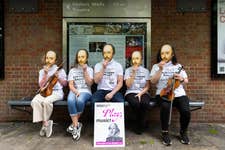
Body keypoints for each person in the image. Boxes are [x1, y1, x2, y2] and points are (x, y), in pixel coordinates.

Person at [150, 44, 191, 146]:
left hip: (179, 93)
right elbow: (153, 81)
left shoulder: (178, 66)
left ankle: (183, 132)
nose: (164, 55)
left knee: (186, 110)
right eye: (162, 53)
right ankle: (165, 132)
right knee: (165, 107)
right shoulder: (156, 66)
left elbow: (186, 80)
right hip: (162, 93)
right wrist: (160, 69)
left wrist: (181, 79)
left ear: (172, 54)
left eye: (167, 53)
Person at [31, 50, 67, 138]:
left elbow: (65, 84)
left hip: (57, 92)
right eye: (47, 58)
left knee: (46, 102)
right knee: (35, 101)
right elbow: (41, 85)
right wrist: (45, 74)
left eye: (51, 58)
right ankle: (46, 123)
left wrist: (59, 78)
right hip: (45, 92)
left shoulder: (60, 70)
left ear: (55, 60)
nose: (48, 60)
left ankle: (44, 124)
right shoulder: (42, 71)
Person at [66, 49, 94, 141]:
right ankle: (76, 125)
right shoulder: (72, 70)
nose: (81, 59)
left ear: (86, 58)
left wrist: (85, 71)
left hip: (86, 91)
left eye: (83, 57)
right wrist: (76, 91)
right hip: (74, 90)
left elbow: (90, 84)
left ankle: (74, 124)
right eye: (79, 57)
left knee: (80, 100)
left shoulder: (90, 69)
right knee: (70, 100)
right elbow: (70, 85)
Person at [124, 51, 151, 134]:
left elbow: (147, 86)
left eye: (137, 58)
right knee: (135, 103)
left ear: (141, 60)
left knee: (145, 103)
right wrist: (133, 73)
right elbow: (128, 85)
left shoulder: (146, 71)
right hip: (130, 92)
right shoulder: (128, 70)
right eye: (133, 59)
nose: (135, 61)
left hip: (143, 92)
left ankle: (140, 123)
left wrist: (140, 94)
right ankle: (141, 123)